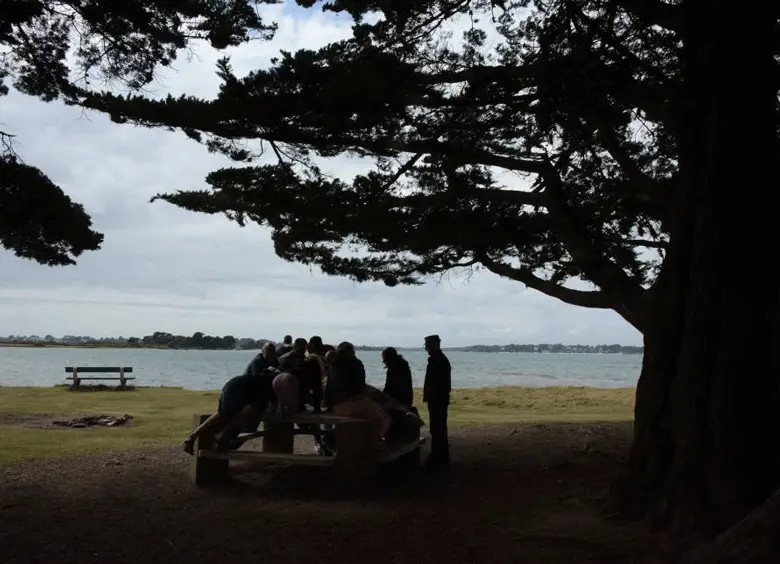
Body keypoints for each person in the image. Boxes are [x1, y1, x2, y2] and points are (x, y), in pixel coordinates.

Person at [182, 344, 280, 455]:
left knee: (230, 416)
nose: (271, 354)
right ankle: (197, 439)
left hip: (241, 388)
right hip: (237, 389)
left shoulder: (272, 376)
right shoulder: (259, 368)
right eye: (268, 351)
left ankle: (215, 439)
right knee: (227, 416)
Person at [328, 342, 392, 440]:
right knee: (385, 418)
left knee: (369, 413)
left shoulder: (334, 365)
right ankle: (375, 442)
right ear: (352, 352)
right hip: (351, 404)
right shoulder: (356, 363)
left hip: (335, 406)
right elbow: (359, 389)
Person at [423, 334, 451, 468]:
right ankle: (440, 457)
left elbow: (440, 383)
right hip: (437, 399)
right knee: (437, 429)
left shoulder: (438, 361)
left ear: (434, 345)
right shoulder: (438, 360)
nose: (426, 349)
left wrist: (432, 396)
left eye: (427, 346)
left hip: (437, 400)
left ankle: (439, 458)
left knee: (438, 429)